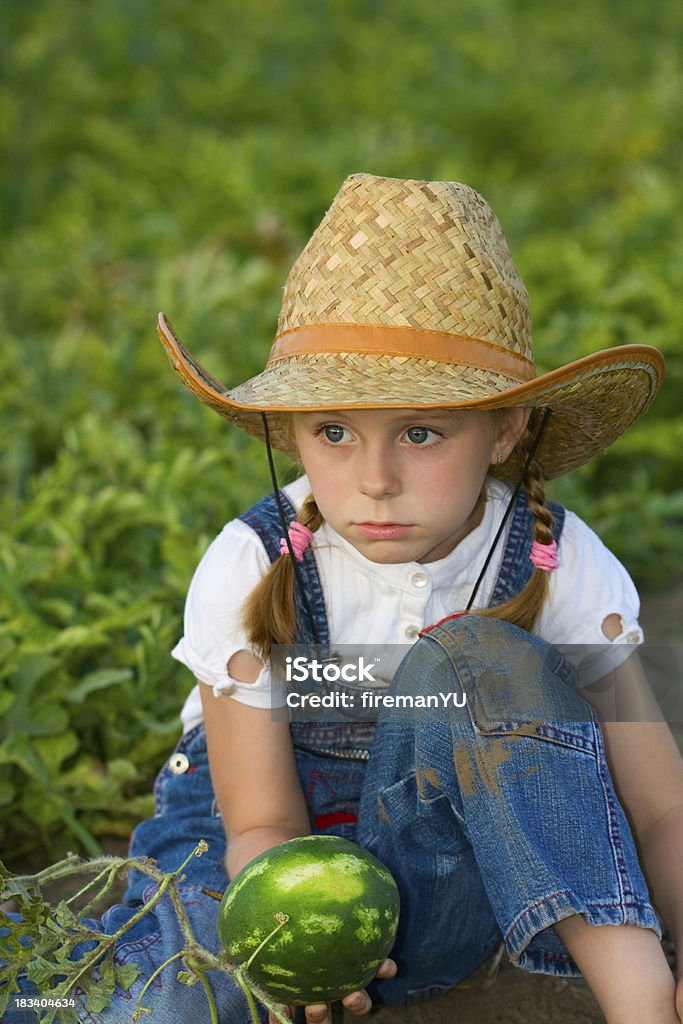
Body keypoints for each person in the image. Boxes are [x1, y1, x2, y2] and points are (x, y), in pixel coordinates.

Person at [9, 173, 683, 1024]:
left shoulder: (558, 562)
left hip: (435, 897)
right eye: (333, 432)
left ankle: (644, 1010)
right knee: (142, 1001)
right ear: (291, 432)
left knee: (480, 658)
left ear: (504, 430)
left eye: (420, 431)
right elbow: (260, 823)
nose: (373, 481)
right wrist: (301, 952)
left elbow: (659, 804)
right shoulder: (251, 563)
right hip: (255, 866)